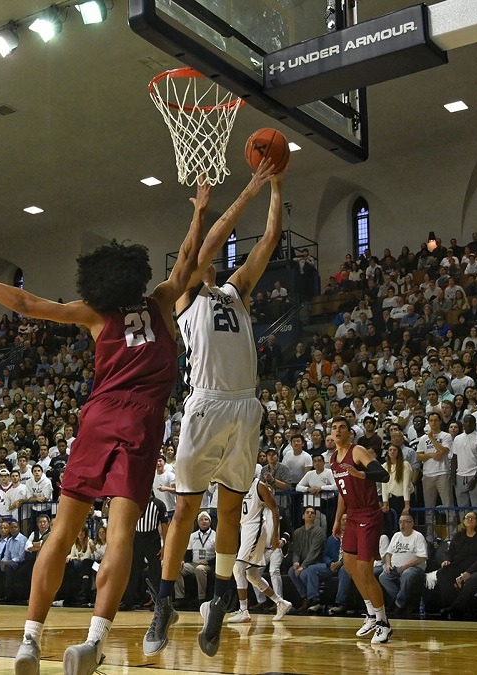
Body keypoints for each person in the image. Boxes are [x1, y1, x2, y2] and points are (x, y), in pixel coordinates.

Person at [0, 161, 278, 675]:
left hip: (98, 418)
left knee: (61, 530)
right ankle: (94, 641)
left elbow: (27, 302)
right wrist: (216, 205)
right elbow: (198, 250)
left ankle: (31, 641)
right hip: (142, 422)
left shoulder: (95, 315)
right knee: (119, 534)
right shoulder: (166, 300)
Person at [146, 165, 285, 658]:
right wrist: (216, 204)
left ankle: (222, 597)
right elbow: (204, 246)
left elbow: (270, 238)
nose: (210, 260)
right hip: (205, 403)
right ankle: (164, 601)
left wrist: (275, 184)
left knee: (229, 506)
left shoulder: (236, 291)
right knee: (185, 507)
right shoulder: (184, 294)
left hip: (246, 406)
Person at [329, 418, 393, 643]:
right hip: (353, 515)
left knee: (365, 571)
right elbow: (341, 492)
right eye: (334, 427)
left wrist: (362, 474)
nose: (337, 431)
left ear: (350, 433)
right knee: (349, 565)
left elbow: (383, 474)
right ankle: (371, 614)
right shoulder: (333, 460)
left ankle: (384, 622)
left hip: (368, 513)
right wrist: (338, 520)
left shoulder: (357, 451)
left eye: (342, 427)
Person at [224, 469, 292, 625]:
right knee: (252, 575)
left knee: (238, 567)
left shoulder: (259, 485)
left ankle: (244, 611)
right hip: (245, 529)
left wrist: (275, 535)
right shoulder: (237, 488)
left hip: (255, 528)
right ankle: (281, 602)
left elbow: (274, 509)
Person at [436, 511, 477, 620]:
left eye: (473, 518)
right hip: (459, 566)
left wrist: (469, 572)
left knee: (473, 579)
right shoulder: (458, 536)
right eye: (467, 518)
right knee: (442, 573)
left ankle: (453, 608)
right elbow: (450, 553)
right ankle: (457, 606)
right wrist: (447, 560)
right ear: (463, 521)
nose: (469, 520)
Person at [377, 514, 427, 615]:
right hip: (395, 568)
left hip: (414, 568)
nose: (402, 524)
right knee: (383, 577)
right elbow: (388, 554)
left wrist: (406, 566)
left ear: (411, 523)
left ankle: (399, 604)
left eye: (405, 522)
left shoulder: (418, 536)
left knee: (407, 574)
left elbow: (422, 557)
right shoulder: (396, 535)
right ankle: (400, 600)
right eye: (400, 522)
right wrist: (387, 565)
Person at [287, 507, 328, 612]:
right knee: (292, 571)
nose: (310, 514)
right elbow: (296, 551)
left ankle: (314, 600)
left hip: (319, 563)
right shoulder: (297, 532)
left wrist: (303, 566)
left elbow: (314, 552)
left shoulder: (319, 531)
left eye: (312, 513)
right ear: (303, 516)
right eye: (307, 512)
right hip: (305, 564)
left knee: (308, 571)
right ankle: (304, 597)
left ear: (315, 517)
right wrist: (296, 562)